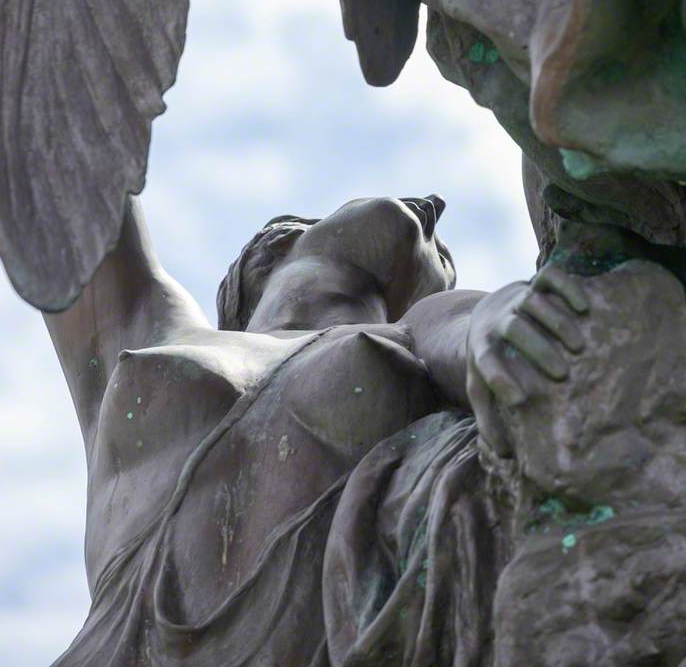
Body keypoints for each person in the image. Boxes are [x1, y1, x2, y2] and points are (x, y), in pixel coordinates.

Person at [45, 193, 487, 665]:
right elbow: (58, 178)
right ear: (278, 244)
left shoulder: (419, 334)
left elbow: (492, 334)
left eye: (444, 259)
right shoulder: (148, 325)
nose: (438, 205)